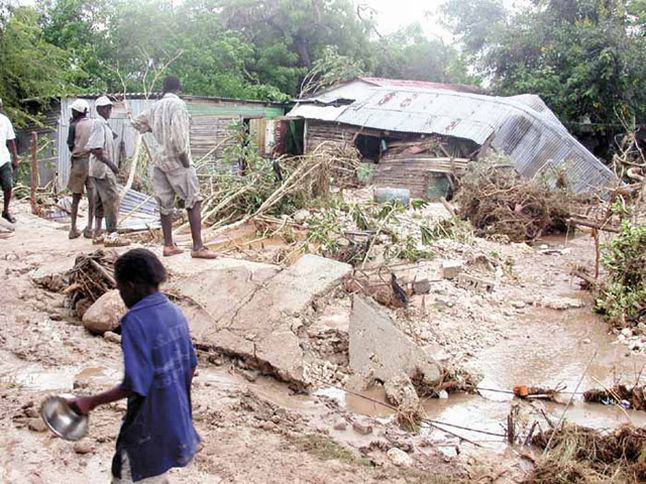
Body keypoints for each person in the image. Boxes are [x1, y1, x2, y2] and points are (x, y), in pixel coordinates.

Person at [69, 248, 201, 483]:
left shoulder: (135, 321)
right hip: (176, 422)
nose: (121, 295)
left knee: (127, 474)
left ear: (131, 286)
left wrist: (89, 402)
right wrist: (173, 401)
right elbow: (190, 366)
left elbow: (134, 385)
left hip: (145, 431)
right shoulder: (175, 312)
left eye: (119, 289)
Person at [132, 76, 216, 259]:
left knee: (165, 203)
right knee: (193, 200)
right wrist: (185, 159)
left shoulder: (155, 107)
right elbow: (178, 138)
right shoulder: (178, 105)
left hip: (160, 161)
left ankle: (168, 245)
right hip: (177, 160)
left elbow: (136, 122)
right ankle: (198, 247)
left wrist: (155, 130)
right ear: (179, 87)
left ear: (165, 88)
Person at [88, 96, 129, 247]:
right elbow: (97, 150)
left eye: (109, 107)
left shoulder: (104, 125)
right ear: (99, 109)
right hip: (103, 169)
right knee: (112, 199)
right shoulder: (99, 124)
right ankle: (112, 234)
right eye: (105, 108)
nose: (108, 110)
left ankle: (98, 233)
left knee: (99, 200)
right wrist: (112, 165)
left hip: (98, 170)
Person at [67, 98, 95, 239]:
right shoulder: (94, 123)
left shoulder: (73, 125)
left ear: (77, 112)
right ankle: (90, 228)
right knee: (92, 197)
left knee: (76, 197)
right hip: (91, 161)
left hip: (78, 162)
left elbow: (70, 145)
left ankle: (73, 228)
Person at [0, 98, 19, 224]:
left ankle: (6, 211)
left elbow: (11, 140)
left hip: (3, 158)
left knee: (8, 186)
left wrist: (15, 158)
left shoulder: (5, 120)